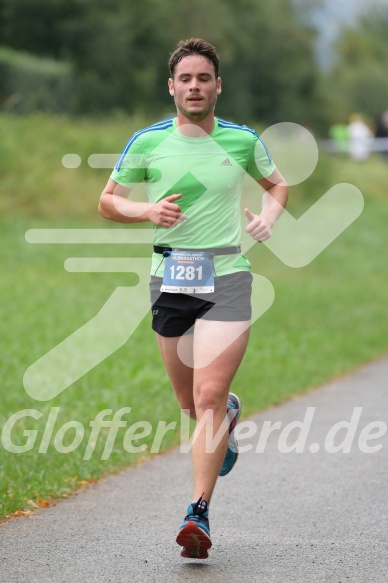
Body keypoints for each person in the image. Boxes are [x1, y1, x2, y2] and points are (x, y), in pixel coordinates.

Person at [98, 38, 288, 559]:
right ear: (172, 86)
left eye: (204, 78)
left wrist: (267, 218)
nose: (195, 87)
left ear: (217, 85)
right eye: (186, 79)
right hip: (171, 277)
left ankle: (197, 513)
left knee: (204, 396)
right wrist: (147, 212)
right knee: (190, 404)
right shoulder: (148, 141)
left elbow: (277, 185)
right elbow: (108, 202)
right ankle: (225, 414)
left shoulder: (243, 140)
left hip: (228, 274)